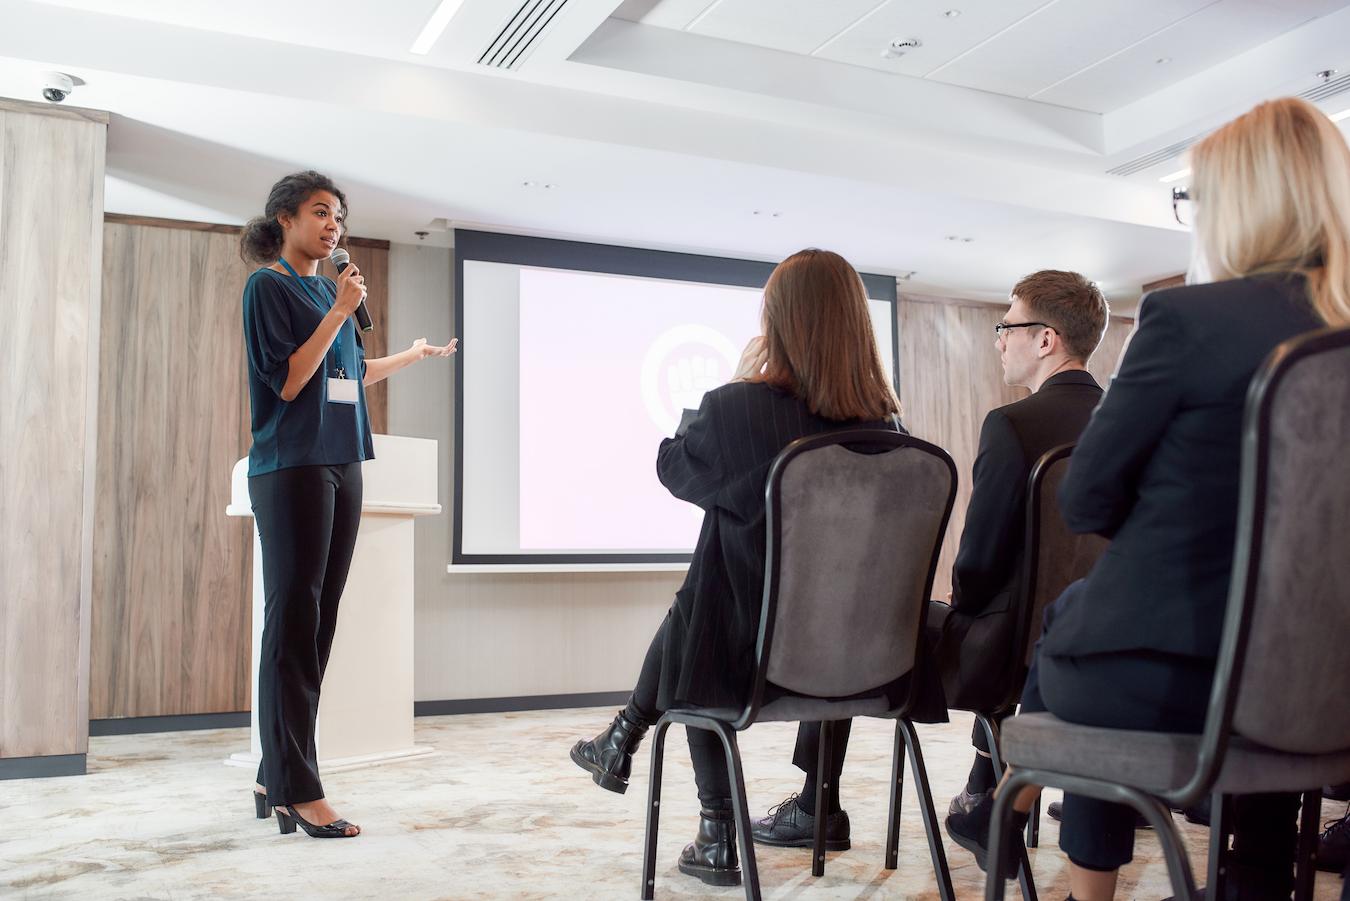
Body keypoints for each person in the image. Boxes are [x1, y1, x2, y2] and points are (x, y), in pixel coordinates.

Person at [945, 96, 1350, 901]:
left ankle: (1055, 860)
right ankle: (1254, 877)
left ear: (1238, 204)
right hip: (1327, 676)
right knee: (1101, 622)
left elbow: (1089, 498)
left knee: (1071, 634)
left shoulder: (1189, 319)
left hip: (1187, 672)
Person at [568, 248, 905, 887]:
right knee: (819, 601)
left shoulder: (738, 407)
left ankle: (715, 826)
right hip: (867, 660)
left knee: (702, 602)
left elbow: (673, 466)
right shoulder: (888, 426)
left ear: (777, 322)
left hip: (743, 659)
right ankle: (818, 802)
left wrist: (740, 382)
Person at [752, 271, 1108, 851]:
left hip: (1001, 657)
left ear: (1046, 339)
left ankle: (818, 804)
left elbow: (980, 564)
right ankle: (983, 787)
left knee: (852, 619)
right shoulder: (1127, 424)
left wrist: (957, 602)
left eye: (1007, 326)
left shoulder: (1012, 424)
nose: (999, 340)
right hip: (1089, 649)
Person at [240, 170, 456, 838]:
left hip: (342, 461)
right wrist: (339, 310)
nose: (333, 225)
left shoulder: (324, 290)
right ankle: (299, 788)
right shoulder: (269, 286)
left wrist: (410, 356)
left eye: (339, 215)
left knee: (318, 622)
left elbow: (348, 375)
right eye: (320, 212)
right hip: (293, 466)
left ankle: (275, 771)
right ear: (284, 219)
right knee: (294, 622)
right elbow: (288, 381)